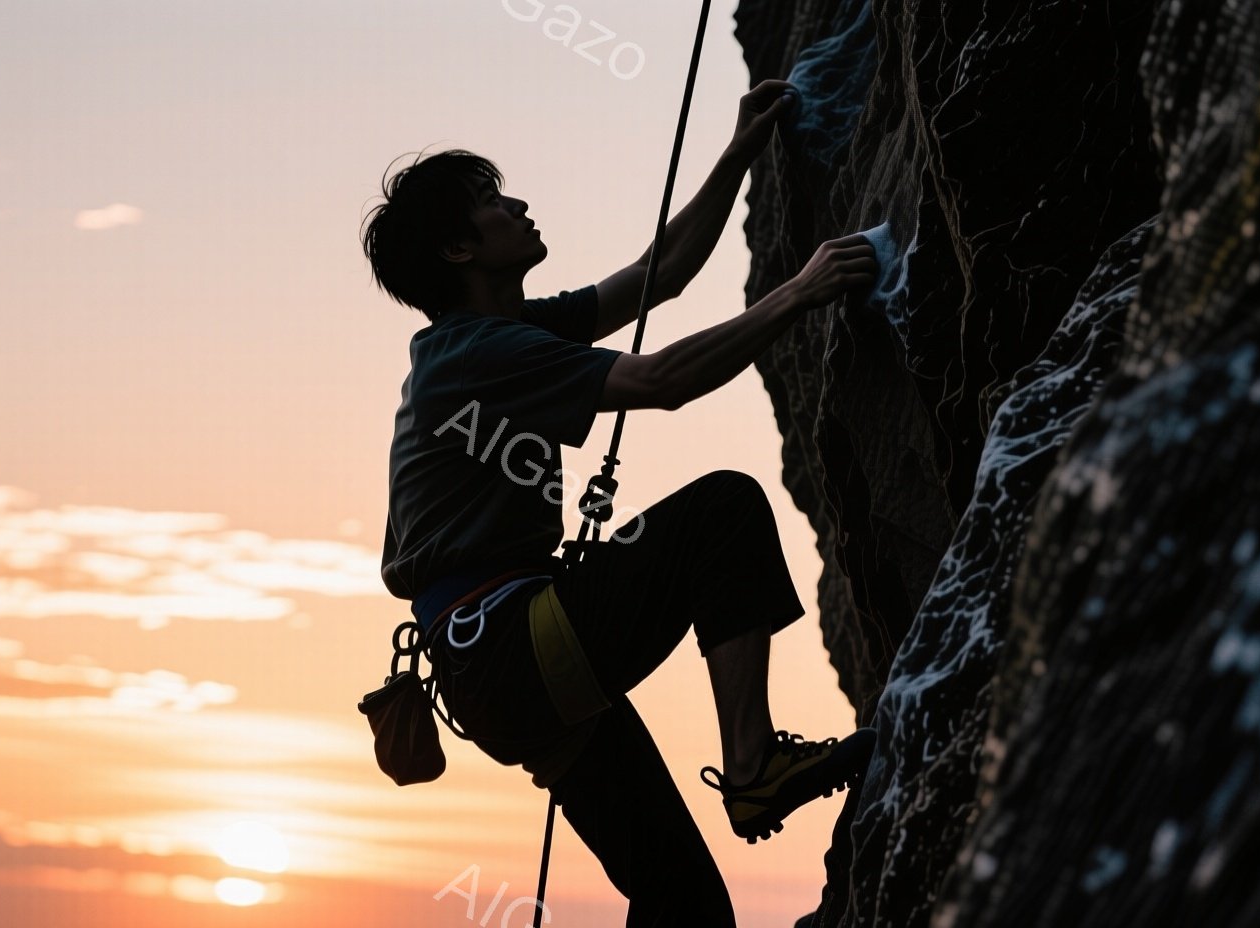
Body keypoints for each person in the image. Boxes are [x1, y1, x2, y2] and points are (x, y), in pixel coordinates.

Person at [360, 79, 879, 927]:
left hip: (500, 665)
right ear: (459, 250)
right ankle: (752, 768)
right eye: (494, 202)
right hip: (509, 644)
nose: (519, 204)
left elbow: (658, 277)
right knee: (721, 511)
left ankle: (752, 778)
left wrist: (740, 151)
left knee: (685, 905)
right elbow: (661, 380)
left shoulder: (498, 338)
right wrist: (798, 292)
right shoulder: (474, 352)